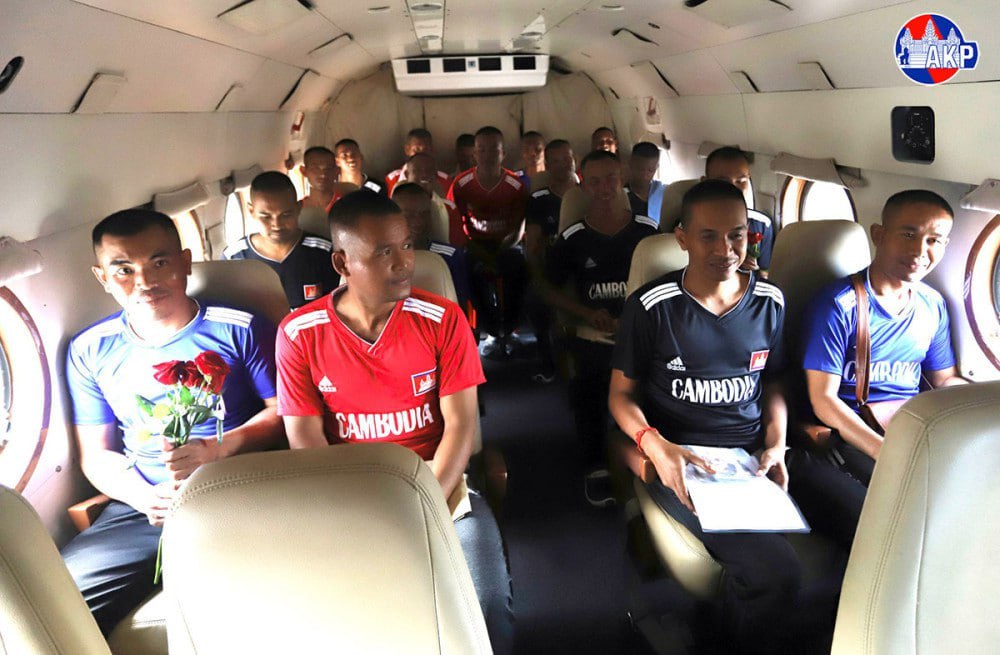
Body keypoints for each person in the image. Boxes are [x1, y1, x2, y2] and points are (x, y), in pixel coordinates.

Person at [609, 180, 859, 652]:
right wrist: (654, 445)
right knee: (775, 573)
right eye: (708, 236)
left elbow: (774, 383)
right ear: (682, 238)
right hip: (687, 460)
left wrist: (777, 443)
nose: (725, 250)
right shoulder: (651, 307)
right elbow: (620, 396)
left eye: (736, 235)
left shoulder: (770, 301)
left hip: (757, 452)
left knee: (872, 521)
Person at [275, 191, 513, 654]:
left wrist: (425, 500)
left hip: (438, 484)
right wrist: (359, 510)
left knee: (484, 605)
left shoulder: (443, 319)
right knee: (333, 616)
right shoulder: (299, 334)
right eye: (384, 252)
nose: (405, 262)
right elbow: (304, 438)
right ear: (342, 262)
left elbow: (461, 424)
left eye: (405, 245)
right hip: (347, 495)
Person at [61, 209, 284, 635]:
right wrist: (144, 497)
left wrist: (218, 450)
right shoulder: (89, 349)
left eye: (159, 263)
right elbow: (95, 454)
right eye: (124, 269)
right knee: (60, 603)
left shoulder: (241, 328)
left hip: (238, 488)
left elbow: (283, 414)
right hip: (143, 505)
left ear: (185, 262)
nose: (144, 282)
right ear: (102, 278)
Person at [802, 189, 967, 486]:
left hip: (909, 427)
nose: (920, 251)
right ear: (878, 235)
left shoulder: (932, 304)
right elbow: (824, 400)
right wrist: (883, 451)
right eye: (908, 235)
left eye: (933, 241)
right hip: (851, 434)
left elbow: (944, 380)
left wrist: (984, 404)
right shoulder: (839, 305)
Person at [541, 150, 657, 505]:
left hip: (641, 331)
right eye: (594, 182)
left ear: (622, 179)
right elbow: (547, 289)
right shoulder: (573, 237)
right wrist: (587, 314)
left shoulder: (648, 232)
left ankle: (649, 452)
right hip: (595, 331)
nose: (604, 188)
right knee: (590, 384)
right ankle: (596, 465)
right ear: (584, 186)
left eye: (610, 179)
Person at [448, 126, 530, 353]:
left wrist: (497, 253)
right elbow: (455, 223)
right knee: (469, 272)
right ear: (474, 154)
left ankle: (510, 328)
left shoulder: (515, 185)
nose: (488, 155)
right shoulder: (461, 184)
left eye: (494, 149)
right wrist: (480, 252)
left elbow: (519, 228)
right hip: (474, 244)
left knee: (518, 269)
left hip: (507, 244)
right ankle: (491, 330)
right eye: (482, 150)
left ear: (503, 153)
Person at [223, 171, 339, 309]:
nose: (277, 225)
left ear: (298, 209)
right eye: (266, 217)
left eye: (286, 215)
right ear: (251, 211)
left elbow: (337, 306)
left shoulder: (324, 252)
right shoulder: (234, 258)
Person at [524, 139, 578, 382]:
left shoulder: (586, 193)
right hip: (551, 265)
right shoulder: (539, 199)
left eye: (567, 159)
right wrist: (538, 277)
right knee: (535, 301)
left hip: (583, 264)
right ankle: (547, 359)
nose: (563, 165)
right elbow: (533, 244)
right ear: (547, 165)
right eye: (555, 161)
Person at [392, 181, 471, 311]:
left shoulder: (451, 257)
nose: (418, 222)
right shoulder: (383, 259)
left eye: (424, 214)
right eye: (409, 215)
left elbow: (461, 308)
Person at [703, 146, 774, 272]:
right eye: (723, 182)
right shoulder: (692, 223)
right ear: (705, 182)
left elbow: (766, 271)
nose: (733, 188)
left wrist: (755, 272)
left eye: (741, 181)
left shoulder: (762, 224)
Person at [402, 151, 464, 247]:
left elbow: (456, 245)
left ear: (435, 176)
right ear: (407, 174)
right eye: (417, 170)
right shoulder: (395, 205)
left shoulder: (449, 208)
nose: (424, 175)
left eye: (429, 171)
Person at [384, 128, 451, 196]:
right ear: (407, 150)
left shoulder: (444, 180)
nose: (421, 154)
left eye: (426, 149)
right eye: (416, 150)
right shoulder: (392, 179)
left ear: (432, 150)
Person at [625, 141, 665, 225]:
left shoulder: (663, 193)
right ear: (631, 164)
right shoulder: (622, 196)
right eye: (640, 169)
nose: (645, 176)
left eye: (650, 170)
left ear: (657, 167)